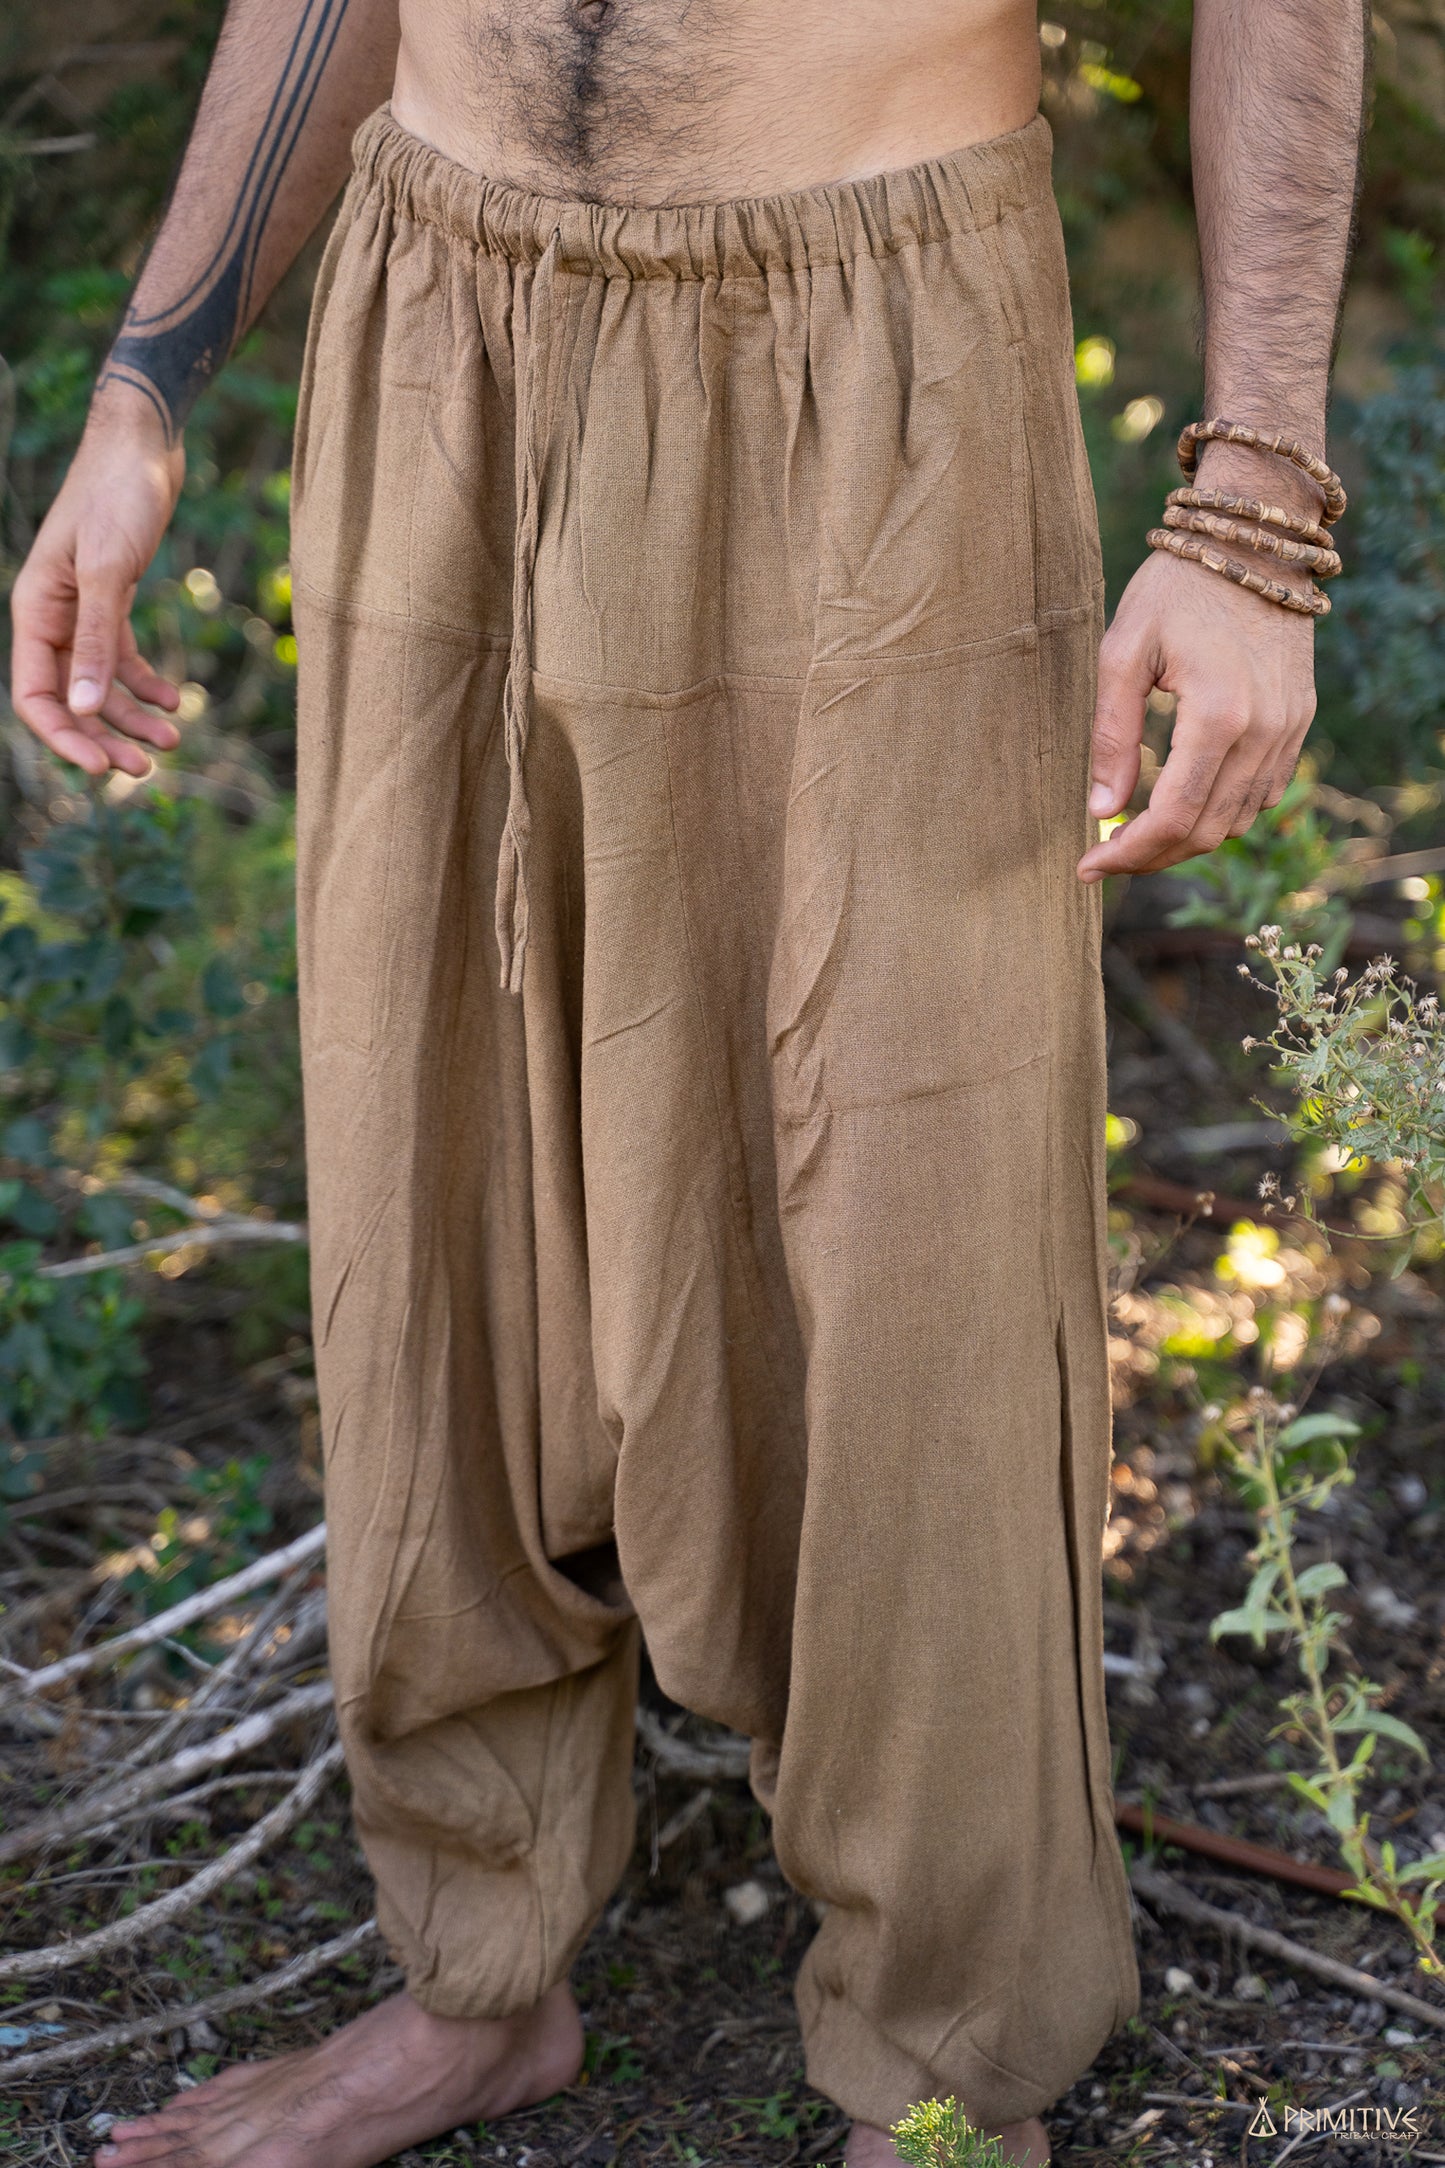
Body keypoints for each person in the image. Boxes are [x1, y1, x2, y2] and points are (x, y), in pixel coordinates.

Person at [9, 2, 1367, 2163]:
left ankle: (947, 2053)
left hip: (875, 331)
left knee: (910, 1189)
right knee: (421, 1156)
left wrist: (1257, 509)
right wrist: (147, 381)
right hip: (440, 309)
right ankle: (473, 1965)